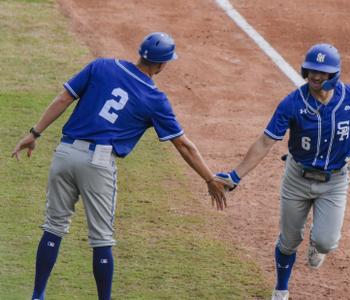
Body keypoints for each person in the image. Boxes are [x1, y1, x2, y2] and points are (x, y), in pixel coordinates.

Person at [12, 32, 226, 300]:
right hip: (98, 163)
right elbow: (183, 145)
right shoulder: (154, 99)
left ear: (140, 53)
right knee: (101, 239)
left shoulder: (101, 65)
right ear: (161, 65)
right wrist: (208, 178)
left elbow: (64, 98)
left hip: (65, 152)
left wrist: (34, 133)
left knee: (53, 227)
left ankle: (37, 296)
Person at [216, 43, 350, 300]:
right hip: (297, 178)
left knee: (326, 242)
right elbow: (265, 141)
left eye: (322, 72)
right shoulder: (292, 103)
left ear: (334, 75)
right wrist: (236, 175)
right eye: (312, 70)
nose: (315, 76)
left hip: (335, 181)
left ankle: (317, 244)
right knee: (289, 240)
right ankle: (281, 289)